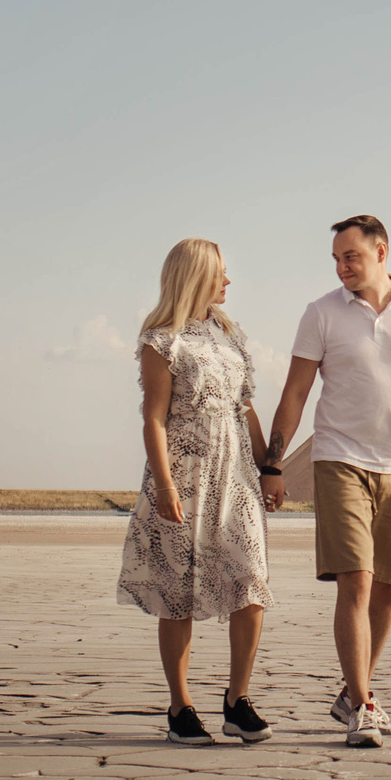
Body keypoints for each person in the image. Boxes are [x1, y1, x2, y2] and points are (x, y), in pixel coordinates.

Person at [260, 215, 391, 748]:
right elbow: (296, 392)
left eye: (351, 256)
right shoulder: (321, 313)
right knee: (357, 582)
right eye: (336, 259)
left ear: (381, 251)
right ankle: (363, 707)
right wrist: (273, 464)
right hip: (340, 461)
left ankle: (352, 692)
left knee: (389, 589)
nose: (342, 268)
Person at [115, 237, 275, 746]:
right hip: (183, 475)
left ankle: (237, 700)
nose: (228, 280)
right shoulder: (162, 341)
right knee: (177, 592)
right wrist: (164, 484)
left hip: (237, 475)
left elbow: (245, 407)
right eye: (219, 272)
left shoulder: (230, 336)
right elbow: (154, 418)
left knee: (250, 579)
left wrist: (269, 467)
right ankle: (181, 707)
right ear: (195, 276)